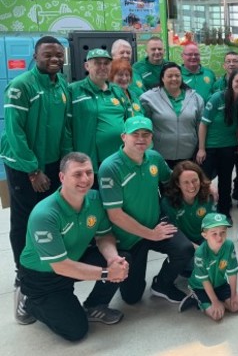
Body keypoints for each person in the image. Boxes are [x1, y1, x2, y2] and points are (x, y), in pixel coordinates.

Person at [16, 152, 129, 341]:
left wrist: (112, 259)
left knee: (124, 259)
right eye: (77, 174)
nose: (85, 179)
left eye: (89, 172)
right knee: (76, 331)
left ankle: (94, 306)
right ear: (62, 177)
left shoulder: (94, 199)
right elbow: (60, 266)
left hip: (73, 259)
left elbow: (104, 236)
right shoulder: (45, 214)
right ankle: (29, 300)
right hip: (43, 276)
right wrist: (107, 274)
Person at [98, 116, 194, 304]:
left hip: (155, 222)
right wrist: (150, 234)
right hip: (128, 236)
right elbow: (115, 215)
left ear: (151, 138)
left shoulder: (155, 158)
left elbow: (172, 182)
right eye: (136, 134)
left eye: (146, 134)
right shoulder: (110, 168)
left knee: (184, 249)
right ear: (124, 137)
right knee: (132, 298)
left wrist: (205, 186)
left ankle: (162, 284)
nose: (141, 138)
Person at [1, 36, 71, 270]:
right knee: (25, 218)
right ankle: (23, 269)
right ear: (35, 57)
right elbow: (14, 132)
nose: (54, 59)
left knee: (48, 214)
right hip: (24, 165)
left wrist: (66, 162)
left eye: (58, 55)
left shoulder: (61, 84)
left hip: (52, 162)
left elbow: (64, 127)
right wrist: (33, 170)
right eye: (48, 54)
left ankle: (49, 261)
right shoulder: (21, 86)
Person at [197, 70, 238, 216]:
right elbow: (203, 124)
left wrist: (237, 143)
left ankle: (224, 211)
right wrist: (201, 149)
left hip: (229, 146)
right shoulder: (217, 98)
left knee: (225, 181)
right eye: (237, 81)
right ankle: (203, 211)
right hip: (210, 147)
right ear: (231, 82)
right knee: (205, 181)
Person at [69, 49, 130, 172]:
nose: (102, 67)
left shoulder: (117, 91)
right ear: (87, 66)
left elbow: (129, 121)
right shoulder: (74, 91)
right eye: (97, 63)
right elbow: (66, 128)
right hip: (90, 160)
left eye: (106, 63)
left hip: (120, 158)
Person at [179, 213, 238, 319]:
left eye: (223, 232)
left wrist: (234, 294)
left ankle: (218, 299)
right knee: (217, 315)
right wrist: (215, 302)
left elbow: (232, 272)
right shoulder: (200, 253)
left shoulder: (229, 246)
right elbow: (204, 280)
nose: (219, 237)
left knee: (236, 307)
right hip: (200, 286)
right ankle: (195, 297)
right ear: (205, 235)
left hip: (219, 283)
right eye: (214, 233)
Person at [140, 62, 204, 169]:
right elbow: (145, 126)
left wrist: (201, 148)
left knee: (184, 184)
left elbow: (200, 125)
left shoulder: (195, 98)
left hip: (188, 154)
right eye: (169, 76)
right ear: (162, 78)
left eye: (177, 76)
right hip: (160, 154)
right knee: (164, 184)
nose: (174, 79)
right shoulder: (148, 98)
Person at [161, 160, 218, 247]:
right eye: (186, 182)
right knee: (185, 250)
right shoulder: (168, 203)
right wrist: (196, 248)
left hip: (204, 239)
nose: (191, 186)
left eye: (194, 180)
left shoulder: (208, 196)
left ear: (200, 179)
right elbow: (173, 234)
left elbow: (213, 226)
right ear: (178, 183)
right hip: (182, 243)